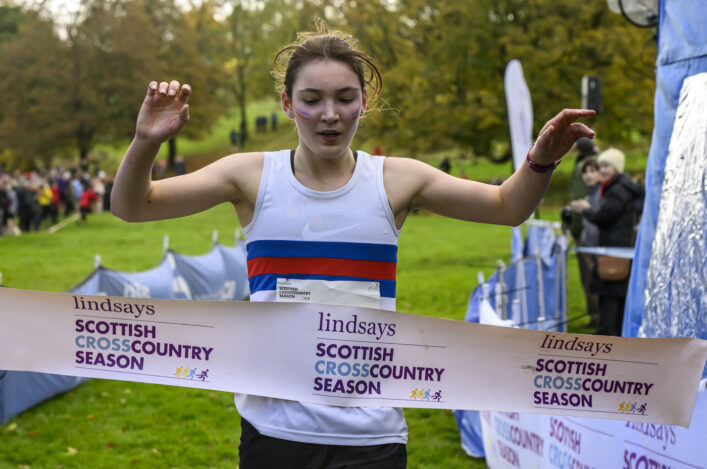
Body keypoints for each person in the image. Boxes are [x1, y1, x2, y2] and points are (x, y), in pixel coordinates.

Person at [111, 28, 595, 469]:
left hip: (372, 436)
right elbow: (133, 205)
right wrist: (145, 142)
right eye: (312, 99)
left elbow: (506, 207)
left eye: (345, 98)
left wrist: (539, 161)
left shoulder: (397, 179)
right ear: (286, 103)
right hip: (273, 432)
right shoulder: (251, 175)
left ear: (364, 102)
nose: (329, 114)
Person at [571, 148, 644, 336]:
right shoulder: (618, 187)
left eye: (606, 166)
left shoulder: (617, 190)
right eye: (601, 165)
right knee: (616, 295)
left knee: (610, 294)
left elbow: (603, 217)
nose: (602, 170)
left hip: (614, 253)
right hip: (616, 250)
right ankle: (615, 334)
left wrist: (586, 210)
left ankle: (606, 335)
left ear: (616, 168)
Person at [570, 158, 602, 327]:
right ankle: (594, 317)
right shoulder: (588, 193)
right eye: (586, 172)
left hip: (596, 246)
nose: (589, 176)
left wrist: (586, 208)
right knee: (587, 280)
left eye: (592, 171)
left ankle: (599, 318)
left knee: (595, 281)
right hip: (585, 242)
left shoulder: (601, 193)